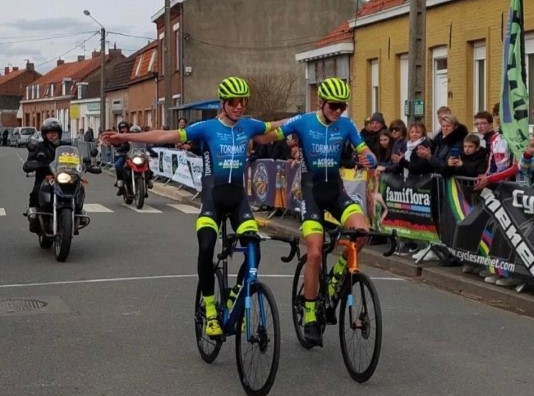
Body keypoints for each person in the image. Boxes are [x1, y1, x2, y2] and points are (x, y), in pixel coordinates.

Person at [101, 77, 284, 338]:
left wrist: (314, 116)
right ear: (223, 103)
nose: (239, 106)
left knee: (254, 249)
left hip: (238, 200)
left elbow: (278, 127)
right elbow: (165, 135)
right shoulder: (207, 128)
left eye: (243, 101)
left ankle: (235, 296)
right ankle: (210, 310)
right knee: (206, 247)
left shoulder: (249, 126)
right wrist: (124, 136)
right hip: (212, 200)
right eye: (234, 102)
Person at [257, 77, 376, 346]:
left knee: (363, 233)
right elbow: (269, 136)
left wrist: (370, 158)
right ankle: (310, 313)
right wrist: (246, 134)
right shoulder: (303, 122)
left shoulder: (346, 125)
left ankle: (337, 276)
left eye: (342, 106)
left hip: (335, 191)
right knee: (314, 252)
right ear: (321, 102)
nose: (338, 111)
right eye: (333, 106)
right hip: (310, 193)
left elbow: (365, 149)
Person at [23, 118, 74, 233]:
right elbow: (29, 161)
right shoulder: (39, 147)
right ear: (45, 134)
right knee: (36, 192)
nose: (53, 136)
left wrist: (85, 161)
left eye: (55, 133)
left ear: (59, 134)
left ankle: (78, 212)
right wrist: (32, 163)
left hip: (64, 177)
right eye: (50, 133)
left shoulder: (67, 146)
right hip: (44, 178)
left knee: (78, 188)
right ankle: (34, 219)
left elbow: (77, 156)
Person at [113, 121, 131, 195]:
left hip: (133, 156)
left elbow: (141, 143)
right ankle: (120, 185)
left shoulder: (132, 135)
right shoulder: (118, 136)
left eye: (125, 128)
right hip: (124, 156)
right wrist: (116, 146)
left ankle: (148, 180)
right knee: (118, 165)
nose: (124, 129)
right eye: (122, 128)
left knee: (148, 162)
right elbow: (115, 143)